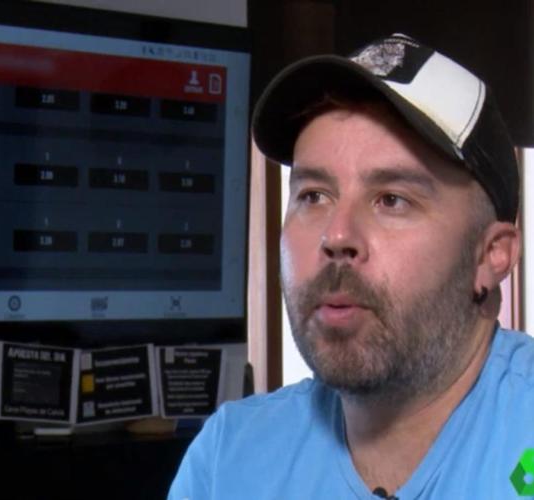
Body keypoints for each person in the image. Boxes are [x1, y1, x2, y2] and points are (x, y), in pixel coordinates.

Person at [169, 33, 534, 499]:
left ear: (491, 255)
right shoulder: (229, 460)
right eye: (313, 196)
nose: (336, 236)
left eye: (391, 200)